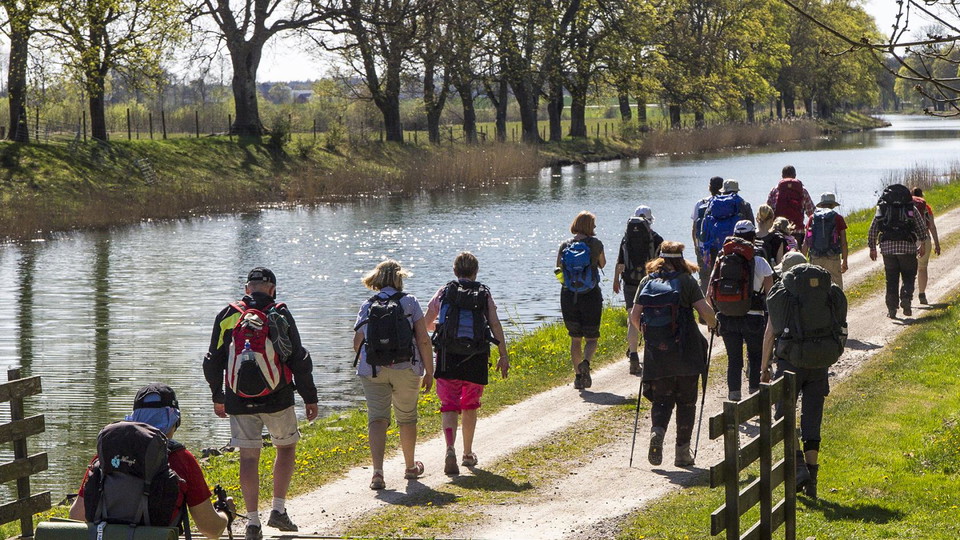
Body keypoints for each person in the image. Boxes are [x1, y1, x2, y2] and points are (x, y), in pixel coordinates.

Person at [203, 267, 319, 540]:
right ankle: (278, 509)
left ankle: (253, 522)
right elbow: (298, 359)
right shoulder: (279, 313)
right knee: (286, 447)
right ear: (272, 289)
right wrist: (309, 397)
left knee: (248, 456)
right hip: (277, 395)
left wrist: (217, 395)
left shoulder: (229, 315)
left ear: (247, 289)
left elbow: (212, 360)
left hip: (238, 397)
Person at [70, 384, 234, 540]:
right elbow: (211, 530)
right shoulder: (182, 459)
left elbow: (76, 517)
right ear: (175, 422)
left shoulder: (108, 454)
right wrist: (226, 513)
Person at [761, 257, 848, 499]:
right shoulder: (824, 291)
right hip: (819, 363)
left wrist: (764, 369)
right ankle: (812, 480)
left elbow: (771, 334)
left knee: (782, 416)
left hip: (790, 364)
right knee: (812, 418)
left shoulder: (782, 295)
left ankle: (798, 465)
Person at [630, 241, 717, 467]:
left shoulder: (647, 282)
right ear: (680, 258)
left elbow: (635, 316)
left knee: (661, 400)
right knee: (687, 402)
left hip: (657, 355)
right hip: (686, 352)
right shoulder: (687, 281)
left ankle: (657, 432)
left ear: (660, 258)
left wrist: (651, 337)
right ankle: (682, 453)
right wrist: (714, 324)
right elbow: (705, 311)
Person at [424, 252, 510, 476]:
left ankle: (450, 447)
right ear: (476, 272)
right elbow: (494, 324)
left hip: (447, 355)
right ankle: (468, 453)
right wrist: (503, 354)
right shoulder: (483, 293)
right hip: (476, 355)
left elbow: (425, 323)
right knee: (470, 405)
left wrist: (441, 328)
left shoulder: (444, 291)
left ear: (455, 271)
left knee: (449, 404)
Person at [353, 259, 434, 490]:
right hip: (406, 368)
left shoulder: (367, 305)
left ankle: (377, 473)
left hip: (373, 370)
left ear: (376, 278)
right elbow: (423, 339)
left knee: (377, 418)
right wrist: (429, 370)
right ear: (399, 278)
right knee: (406, 417)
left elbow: (357, 342)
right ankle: (410, 467)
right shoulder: (410, 302)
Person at [708, 220, 774, 401]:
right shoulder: (760, 261)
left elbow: (709, 294)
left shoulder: (721, 260)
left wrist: (714, 317)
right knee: (754, 356)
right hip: (753, 317)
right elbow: (771, 295)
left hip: (727, 317)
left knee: (733, 359)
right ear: (753, 237)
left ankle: (734, 397)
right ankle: (754, 394)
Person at [556, 211, 606, 390]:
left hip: (569, 295)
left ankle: (578, 377)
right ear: (589, 226)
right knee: (591, 338)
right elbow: (603, 264)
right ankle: (586, 362)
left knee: (575, 339)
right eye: (593, 225)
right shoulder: (595, 244)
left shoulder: (565, 245)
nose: (595, 228)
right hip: (590, 295)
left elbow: (558, 268)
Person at [614, 205, 664, 375]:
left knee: (631, 318)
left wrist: (615, 280)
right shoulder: (657, 239)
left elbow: (620, 261)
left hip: (629, 282)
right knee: (652, 317)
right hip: (650, 282)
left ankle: (634, 355)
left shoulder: (626, 238)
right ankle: (653, 354)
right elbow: (662, 263)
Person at [867, 184, 928, 318]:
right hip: (907, 248)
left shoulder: (882, 208)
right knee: (908, 276)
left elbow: (873, 229)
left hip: (888, 249)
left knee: (891, 279)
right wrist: (922, 243)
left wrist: (872, 247)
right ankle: (906, 299)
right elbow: (921, 227)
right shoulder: (910, 207)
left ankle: (892, 309)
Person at [699, 179, 755, 272]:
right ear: (737, 191)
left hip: (715, 247)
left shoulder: (712, 203)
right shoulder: (744, 204)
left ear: (723, 191)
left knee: (716, 275)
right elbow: (751, 226)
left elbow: (704, 227)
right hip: (739, 247)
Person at [803, 193, 849, 288]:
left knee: (816, 286)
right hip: (832, 257)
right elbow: (844, 242)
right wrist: (845, 261)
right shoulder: (838, 218)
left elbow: (806, 241)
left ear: (822, 204)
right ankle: (836, 302)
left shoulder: (812, 218)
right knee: (836, 285)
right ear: (832, 205)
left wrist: (802, 261)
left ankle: (818, 302)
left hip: (816, 257)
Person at [691, 176, 724, 293]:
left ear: (709, 188)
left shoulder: (700, 203)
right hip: (721, 247)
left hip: (703, 247)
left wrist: (696, 246)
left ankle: (704, 304)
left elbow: (695, 228)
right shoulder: (727, 204)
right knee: (721, 275)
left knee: (704, 277)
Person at [767, 165, 815, 244]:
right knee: (797, 255)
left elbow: (768, 212)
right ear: (795, 176)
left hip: (778, 232)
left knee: (779, 255)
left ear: (782, 176)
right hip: (797, 232)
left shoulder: (775, 190)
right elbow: (811, 213)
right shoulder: (802, 190)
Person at [912, 187, 941, 304]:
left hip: (909, 240)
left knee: (907, 268)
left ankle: (906, 295)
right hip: (924, 238)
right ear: (922, 195)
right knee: (922, 268)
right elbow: (932, 227)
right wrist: (937, 244)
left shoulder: (906, 207)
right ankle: (922, 295)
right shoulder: (926, 207)